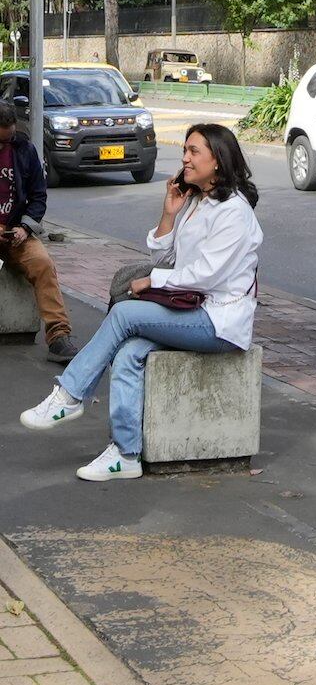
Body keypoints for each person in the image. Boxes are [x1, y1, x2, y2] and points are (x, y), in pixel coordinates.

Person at [19, 124, 261, 482]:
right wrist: (169, 214)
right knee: (129, 352)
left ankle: (69, 394)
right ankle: (125, 454)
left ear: (218, 160)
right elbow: (164, 258)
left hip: (219, 322)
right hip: (189, 312)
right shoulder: (196, 201)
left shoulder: (234, 211)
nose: (185, 158)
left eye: (194, 151)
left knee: (124, 314)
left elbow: (207, 275)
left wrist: (152, 281)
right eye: (185, 150)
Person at [0, 99, 73, 362]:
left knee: (43, 264)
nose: (4, 145)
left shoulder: (24, 150)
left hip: (16, 233)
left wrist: (24, 228)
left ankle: (58, 336)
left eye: (7, 139)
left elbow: (38, 196)